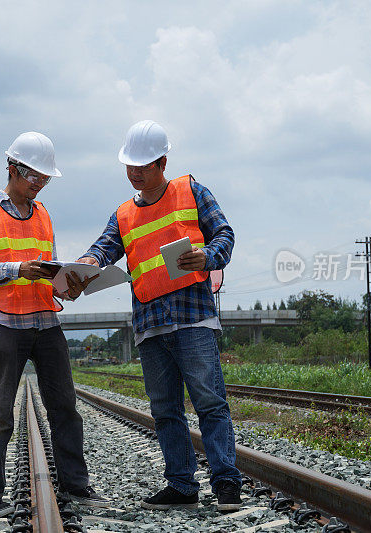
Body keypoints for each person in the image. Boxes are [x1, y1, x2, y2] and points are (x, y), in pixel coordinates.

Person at [76, 120, 242, 511]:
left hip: (192, 319)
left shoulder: (192, 191)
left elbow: (225, 235)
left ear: (163, 162)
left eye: (143, 167)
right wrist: (85, 264)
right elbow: (103, 248)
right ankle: (182, 486)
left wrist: (208, 256)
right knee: (165, 411)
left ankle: (226, 485)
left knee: (210, 404)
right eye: (129, 167)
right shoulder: (122, 214)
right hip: (150, 326)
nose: (134, 174)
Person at [0, 131, 108, 519]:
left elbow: (50, 267)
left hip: (45, 320)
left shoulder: (43, 213)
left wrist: (68, 285)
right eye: (35, 178)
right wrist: (17, 269)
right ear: (13, 169)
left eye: (45, 179)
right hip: (5, 321)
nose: (40, 185)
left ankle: (77, 487)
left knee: (64, 407)